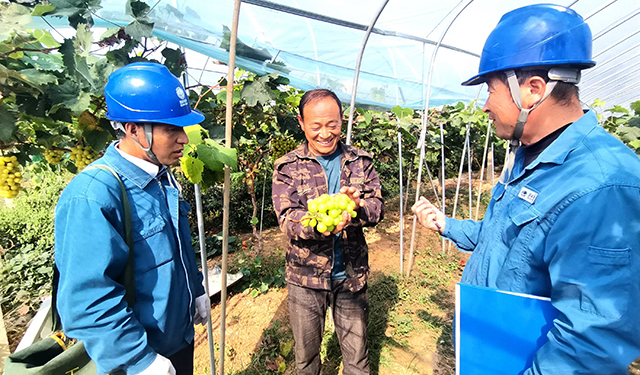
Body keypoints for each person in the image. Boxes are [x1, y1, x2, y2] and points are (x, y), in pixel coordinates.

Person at [412, 4, 640, 374]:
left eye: (490, 89)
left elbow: (589, 345)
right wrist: (445, 224)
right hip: (492, 350)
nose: (485, 106)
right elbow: (501, 239)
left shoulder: (602, 187)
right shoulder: (529, 155)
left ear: (532, 89)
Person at [54, 62, 210, 375]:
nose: (184, 139)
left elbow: (178, 249)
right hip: (137, 358)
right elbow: (87, 300)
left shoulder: (162, 179)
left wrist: (196, 290)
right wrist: (137, 361)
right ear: (133, 129)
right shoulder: (93, 195)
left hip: (175, 343)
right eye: (171, 129)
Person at [272, 89, 384, 375]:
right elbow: (287, 218)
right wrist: (319, 224)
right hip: (305, 276)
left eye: (332, 125)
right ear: (301, 122)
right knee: (306, 359)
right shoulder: (287, 166)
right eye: (316, 126)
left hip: (351, 273)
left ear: (342, 120)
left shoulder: (361, 162)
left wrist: (357, 210)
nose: (325, 133)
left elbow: (377, 208)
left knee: (357, 358)